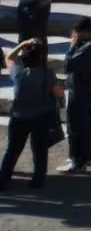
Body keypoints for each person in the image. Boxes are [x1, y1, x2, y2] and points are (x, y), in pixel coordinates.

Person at [0, 39, 63, 191]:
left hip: (19, 117)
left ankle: (3, 179)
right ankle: (38, 180)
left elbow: (8, 57)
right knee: (40, 150)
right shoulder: (48, 74)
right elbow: (59, 93)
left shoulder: (18, 73)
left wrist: (23, 44)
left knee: (13, 150)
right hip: (42, 117)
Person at [60, 15, 91, 173]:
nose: (74, 36)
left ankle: (75, 160)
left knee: (74, 127)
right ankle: (85, 157)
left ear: (84, 32)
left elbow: (67, 66)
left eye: (76, 33)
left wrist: (72, 46)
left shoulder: (86, 49)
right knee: (87, 126)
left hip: (79, 92)